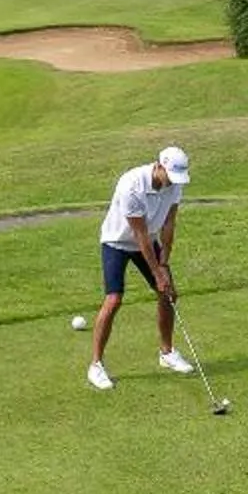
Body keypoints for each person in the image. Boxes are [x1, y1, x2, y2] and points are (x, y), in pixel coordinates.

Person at [87, 145, 193, 391]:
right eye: (169, 176)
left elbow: (169, 223)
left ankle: (166, 353)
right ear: (159, 166)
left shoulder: (175, 185)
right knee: (114, 299)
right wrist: (157, 273)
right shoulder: (131, 185)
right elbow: (139, 233)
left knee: (168, 294)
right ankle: (96, 365)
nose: (172, 183)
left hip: (149, 240)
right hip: (117, 242)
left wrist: (164, 263)